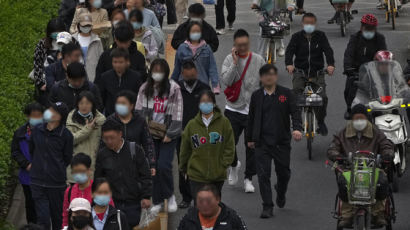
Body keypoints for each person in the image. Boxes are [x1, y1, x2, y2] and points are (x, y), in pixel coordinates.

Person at [247, 64, 302, 218]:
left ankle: (281, 191)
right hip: (262, 143)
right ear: (261, 78)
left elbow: (295, 112)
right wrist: (250, 138)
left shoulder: (286, 94)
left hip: (281, 142)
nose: (268, 77)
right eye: (265, 74)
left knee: (284, 173)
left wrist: (297, 128)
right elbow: (251, 118)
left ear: (276, 76)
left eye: (271, 74)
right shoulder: (256, 96)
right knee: (263, 175)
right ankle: (267, 206)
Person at [327, 104, 393, 228]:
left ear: (367, 118)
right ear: (352, 119)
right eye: (356, 118)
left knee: (382, 182)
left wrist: (386, 155)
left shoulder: (376, 132)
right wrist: (338, 157)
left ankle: (378, 213)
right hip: (350, 169)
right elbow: (332, 148)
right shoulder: (342, 133)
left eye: (361, 118)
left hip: (373, 169)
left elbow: (386, 146)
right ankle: (346, 215)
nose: (359, 121)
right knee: (343, 183)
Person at [136, 59, 183, 213]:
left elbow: (178, 112)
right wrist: (144, 133)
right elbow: (139, 111)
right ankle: (156, 200)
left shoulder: (174, 88)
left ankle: (170, 196)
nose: (157, 74)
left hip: (168, 134)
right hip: (150, 135)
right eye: (154, 70)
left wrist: (171, 133)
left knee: (164, 166)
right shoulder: (144, 88)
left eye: (160, 70)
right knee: (153, 168)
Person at [220, 29, 265, 192]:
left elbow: (265, 82)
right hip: (233, 108)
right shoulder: (228, 59)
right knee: (228, 142)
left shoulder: (259, 60)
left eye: (245, 44)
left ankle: (248, 178)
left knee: (251, 145)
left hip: (252, 111)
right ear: (234, 45)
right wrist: (234, 62)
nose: (243, 47)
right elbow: (226, 80)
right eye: (239, 45)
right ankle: (233, 164)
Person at [95, 119, 152, 229]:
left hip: (133, 203)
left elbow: (145, 174)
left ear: (120, 134)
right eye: (105, 138)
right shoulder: (102, 154)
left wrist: (146, 196)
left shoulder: (134, 150)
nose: (109, 141)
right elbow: (99, 179)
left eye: (112, 138)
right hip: (113, 204)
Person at [179, 90, 235, 200]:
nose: (206, 104)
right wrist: (183, 167)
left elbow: (230, 145)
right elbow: (185, 149)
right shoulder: (192, 125)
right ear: (199, 105)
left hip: (217, 175)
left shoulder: (224, 123)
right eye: (203, 101)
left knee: (214, 205)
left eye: (208, 101)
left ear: (214, 104)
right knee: (199, 206)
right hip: (196, 176)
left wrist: (224, 164)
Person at [285, 13, 335, 136]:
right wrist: (289, 64)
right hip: (300, 73)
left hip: (317, 74)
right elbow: (289, 51)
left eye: (312, 23)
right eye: (306, 23)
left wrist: (330, 65)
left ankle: (321, 121)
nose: (309, 25)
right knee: (296, 95)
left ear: (315, 24)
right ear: (302, 24)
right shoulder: (296, 37)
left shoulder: (321, 36)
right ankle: (297, 123)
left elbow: (328, 50)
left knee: (322, 98)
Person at [29, 102, 73, 230]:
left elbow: (67, 158)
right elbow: (32, 149)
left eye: (54, 111)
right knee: (42, 219)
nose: (50, 112)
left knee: (58, 218)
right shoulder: (37, 130)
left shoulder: (66, 135)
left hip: (56, 183)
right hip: (37, 181)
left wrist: (55, 168)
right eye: (50, 109)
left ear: (60, 117)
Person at [176, 60, 210, 208]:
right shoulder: (176, 90)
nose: (189, 79)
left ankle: (200, 196)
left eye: (192, 75)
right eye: (186, 76)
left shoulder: (204, 89)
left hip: (200, 135)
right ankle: (186, 196)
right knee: (183, 165)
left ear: (196, 73)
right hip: (181, 135)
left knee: (199, 165)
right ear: (182, 74)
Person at [343, 14, 386, 119]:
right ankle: (350, 108)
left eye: (372, 28)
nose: (369, 31)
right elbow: (348, 54)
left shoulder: (380, 38)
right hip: (357, 72)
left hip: (375, 71)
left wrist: (383, 64)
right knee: (349, 89)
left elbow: (384, 54)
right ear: (361, 27)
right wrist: (348, 68)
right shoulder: (355, 38)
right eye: (367, 28)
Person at [11, 103, 44, 224]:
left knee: (43, 205)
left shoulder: (48, 131)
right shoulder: (20, 133)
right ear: (27, 116)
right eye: (34, 116)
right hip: (27, 176)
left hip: (44, 176)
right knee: (30, 204)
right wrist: (26, 164)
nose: (36, 118)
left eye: (39, 115)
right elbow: (15, 152)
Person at [107, 90, 156, 170]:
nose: (120, 106)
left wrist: (151, 164)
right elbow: (103, 144)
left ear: (131, 106)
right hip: (114, 164)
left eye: (123, 104)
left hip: (134, 164)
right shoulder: (110, 121)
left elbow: (148, 143)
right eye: (118, 103)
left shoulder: (140, 121)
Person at [62, 154, 114, 228]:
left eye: (81, 171)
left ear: (89, 170)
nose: (78, 174)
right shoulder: (69, 191)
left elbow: (111, 212)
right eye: (75, 172)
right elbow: (65, 215)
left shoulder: (99, 188)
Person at [66, 91, 106, 180]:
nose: (84, 106)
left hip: (94, 165)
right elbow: (70, 139)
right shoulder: (71, 118)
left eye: (87, 103)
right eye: (81, 103)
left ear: (92, 104)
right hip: (76, 165)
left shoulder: (100, 120)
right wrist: (88, 129)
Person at [171, 21, 219, 93]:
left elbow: (212, 68)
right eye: (193, 31)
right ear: (188, 32)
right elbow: (177, 68)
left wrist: (216, 86)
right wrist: (171, 84)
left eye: (198, 31)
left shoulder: (207, 49)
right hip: (184, 86)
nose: (195, 33)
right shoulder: (181, 48)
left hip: (202, 86)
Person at [177, 184, 247, 230]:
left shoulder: (232, 218)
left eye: (208, 201)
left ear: (218, 200)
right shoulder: (189, 218)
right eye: (201, 201)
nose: (204, 204)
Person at [96, 48, 143, 115]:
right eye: (115, 62)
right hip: (110, 116)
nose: (117, 65)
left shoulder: (136, 77)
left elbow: (138, 98)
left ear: (127, 62)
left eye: (121, 62)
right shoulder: (105, 77)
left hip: (130, 115)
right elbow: (101, 98)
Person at [33, 18, 65, 105]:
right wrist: (40, 83)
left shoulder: (69, 42)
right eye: (54, 32)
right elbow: (37, 64)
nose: (56, 34)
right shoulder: (42, 44)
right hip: (46, 86)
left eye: (59, 32)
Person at [72, 13, 104, 82]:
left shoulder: (97, 40)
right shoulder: (72, 39)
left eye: (88, 25)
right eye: (84, 25)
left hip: (94, 77)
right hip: (76, 77)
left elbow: (102, 60)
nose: (86, 27)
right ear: (79, 25)